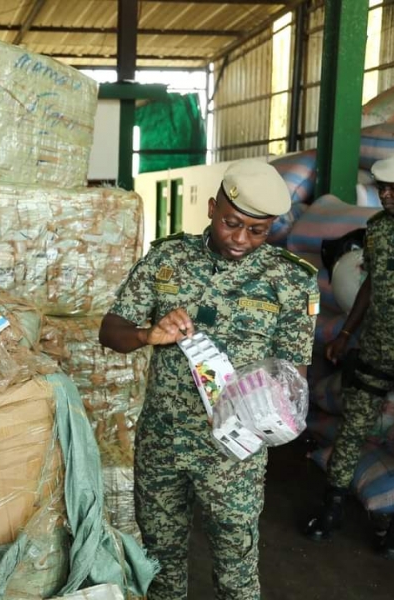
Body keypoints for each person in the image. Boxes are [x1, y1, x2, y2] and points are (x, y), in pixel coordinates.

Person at [99, 160, 318, 600]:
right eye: (232, 223)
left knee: (236, 566)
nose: (241, 239)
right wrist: (147, 334)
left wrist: (270, 414)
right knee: (161, 560)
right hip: (164, 441)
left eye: (258, 231)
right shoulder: (168, 259)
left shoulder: (291, 282)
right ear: (213, 208)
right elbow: (110, 330)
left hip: (234, 454)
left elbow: (294, 378)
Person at [302, 149, 394, 558]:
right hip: (377, 348)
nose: (386, 196)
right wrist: (345, 333)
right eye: (382, 189)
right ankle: (331, 508)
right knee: (352, 427)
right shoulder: (378, 229)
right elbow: (370, 285)